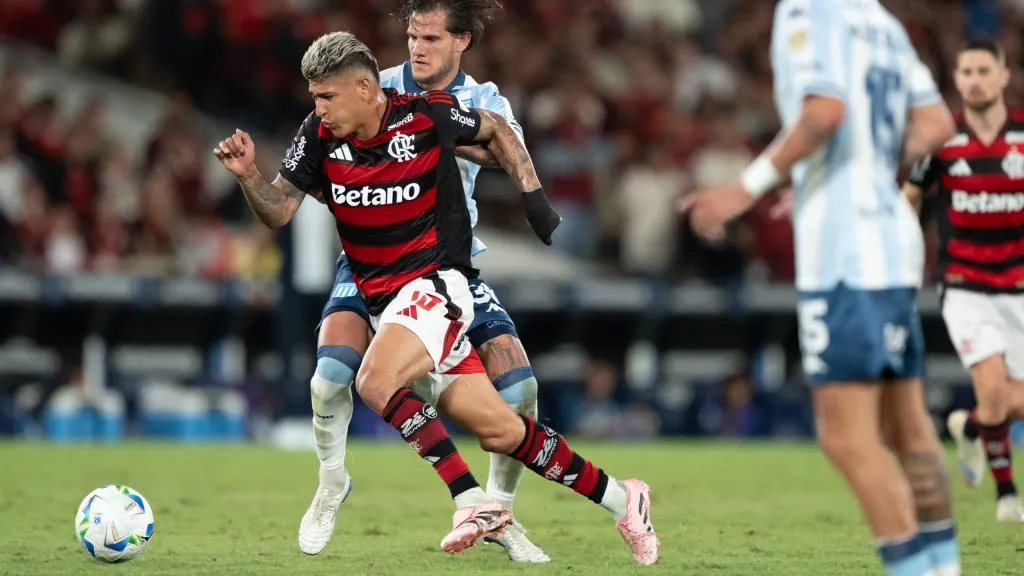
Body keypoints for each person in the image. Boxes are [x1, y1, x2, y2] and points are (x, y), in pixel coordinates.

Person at [213, 31, 659, 564]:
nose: (318, 107)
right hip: (381, 301)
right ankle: (624, 498)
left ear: (364, 87)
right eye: (314, 97)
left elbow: (496, 130)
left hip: (436, 286)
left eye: (326, 96)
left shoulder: (427, 114)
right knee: (505, 432)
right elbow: (280, 209)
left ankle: (472, 500)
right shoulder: (318, 134)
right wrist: (248, 176)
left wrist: (533, 198)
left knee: (373, 380)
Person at [681, 1, 961, 574]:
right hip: (893, 237)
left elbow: (824, 111)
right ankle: (943, 565)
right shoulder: (884, 24)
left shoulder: (807, 10)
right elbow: (937, 126)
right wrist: (856, 170)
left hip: (845, 250)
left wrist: (747, 187)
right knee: (908, 428)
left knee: (845, 437)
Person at [295, 0, 549, 562]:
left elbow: (507, 150)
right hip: (370, 263)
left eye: (431, 38)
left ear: (462, 42)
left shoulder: (485, 100)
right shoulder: (374, 86)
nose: (417, 48)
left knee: (521, 391)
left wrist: (442, 130)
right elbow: (321, 150)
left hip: (447, 268)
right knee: (329, 377)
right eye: (412, 36)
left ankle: (499, 513)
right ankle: (331, 482)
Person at [902, 38, 1024, 523]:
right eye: (965, 72)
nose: (974, 80)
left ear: (1002, 76)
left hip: (1019, 285)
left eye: (982, 70)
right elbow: (907, 198)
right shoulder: (942, 142)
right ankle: (1008, 496)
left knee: (1008, 403)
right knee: (993, 391)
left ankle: (972, 430)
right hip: (965, 284)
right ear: (956, 81)